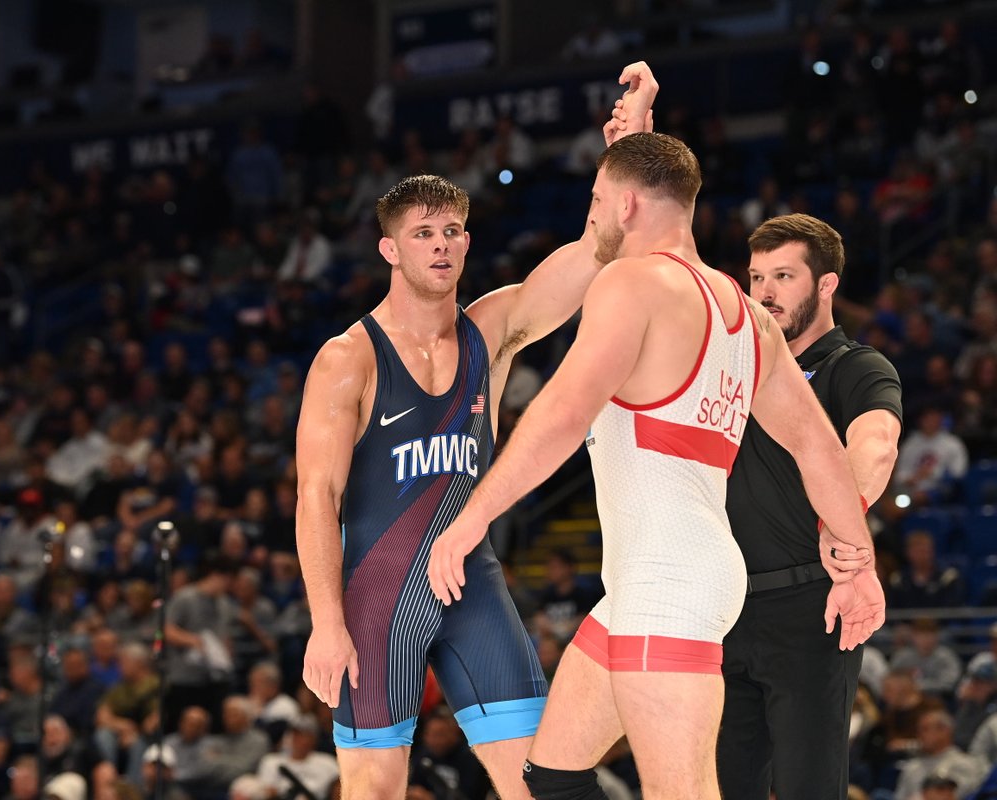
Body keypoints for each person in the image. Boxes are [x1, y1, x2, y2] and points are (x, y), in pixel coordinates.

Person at [427, 72, 885, 800]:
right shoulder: (746, 314)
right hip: (667, 580)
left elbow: (562, 414)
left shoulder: (633, 285)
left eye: (597, 202)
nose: (594, 217)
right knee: (553, 773)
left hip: (668, 585)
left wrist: (468, 519)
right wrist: (858, 564)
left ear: (628, 204)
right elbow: (819, 448)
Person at [295, 63, 657, 800]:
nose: (442, 244)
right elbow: (315, 499)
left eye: (453, 230)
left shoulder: (490, 329)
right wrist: (325, 623)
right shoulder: (347, 360)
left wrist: (627, 150)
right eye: (422, 233)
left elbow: (596, 252)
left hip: (472, 588)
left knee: (533, 781)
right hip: (377, 598)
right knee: (373, 790)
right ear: (389, 250)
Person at [714, 213, 903, 800]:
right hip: (720, 608)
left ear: (825, 285)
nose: (764, 293)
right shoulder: (730, 371)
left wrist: (839, 525)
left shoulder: (856, 367)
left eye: (784, 276)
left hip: (809, 610)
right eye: (756, 277)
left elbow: (874, 445)